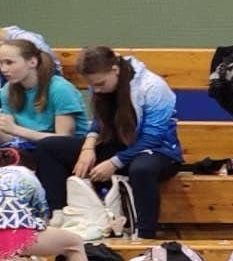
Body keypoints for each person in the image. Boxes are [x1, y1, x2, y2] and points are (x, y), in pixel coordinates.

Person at [30, 47, 183, 236]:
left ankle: (146, 233)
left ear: (115, 70)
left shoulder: (153, 88)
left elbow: (152, 137)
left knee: (141, 169)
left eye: (100, 84)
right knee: (48, 147)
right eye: (92, 86)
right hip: (118, 146)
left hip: (160, 152)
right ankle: (59, 214)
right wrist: (88, 147)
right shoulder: (102, 85)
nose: (97, 89)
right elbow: (99, 120)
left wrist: (114, 162)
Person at [0, 38, 88, 154]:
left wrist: (16, 130)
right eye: (0, 63)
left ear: (32, 62)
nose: (3, 69)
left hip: (68, 152)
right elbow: (10, 137)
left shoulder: (59, 88)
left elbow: (64, 139)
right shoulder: (7, 90)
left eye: (9, 62)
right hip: (29, 148)